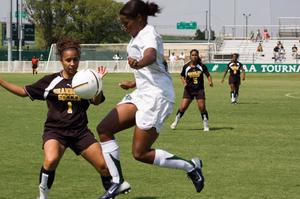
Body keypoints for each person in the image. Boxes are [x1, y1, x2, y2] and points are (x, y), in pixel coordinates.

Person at [96, 1, 204, 199]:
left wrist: (138, 64)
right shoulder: (137, 35)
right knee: (104, 129)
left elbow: (151, 56)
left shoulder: (149, 33)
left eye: (126, 23)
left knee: (140, 153)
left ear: (139, 18)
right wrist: (134, 82)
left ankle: (191, 167)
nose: (124, 27)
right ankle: (117, 182)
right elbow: (155, 70)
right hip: (142, 93)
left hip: (157, 97)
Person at [0, 37, 130, 199]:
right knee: (51, 159)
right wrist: (0, 80)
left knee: (104, 167)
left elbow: (96, 102)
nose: (72, 63)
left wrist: (97, 84)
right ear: (61, 60)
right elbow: (22, 92)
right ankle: (43, 196)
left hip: (80, 132)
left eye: (75, 59)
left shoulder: (85, 79)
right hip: (55, 132)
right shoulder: (51, 81)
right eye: (68, 60)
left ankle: (112, 196)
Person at [170, 49, 213, 131]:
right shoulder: (186, 66)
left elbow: (208, 75)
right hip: (188, 90)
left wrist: (210, 81)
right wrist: (184, 82)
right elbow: (182, 76)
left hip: (199, 90)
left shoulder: (201, 66)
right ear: (190, 56)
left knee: (202, 107)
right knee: (183, 107)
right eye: (192, 55)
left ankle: (206, 125)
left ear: (198, 56)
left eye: (195, 55)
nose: (194, 56)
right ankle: (175, 122)